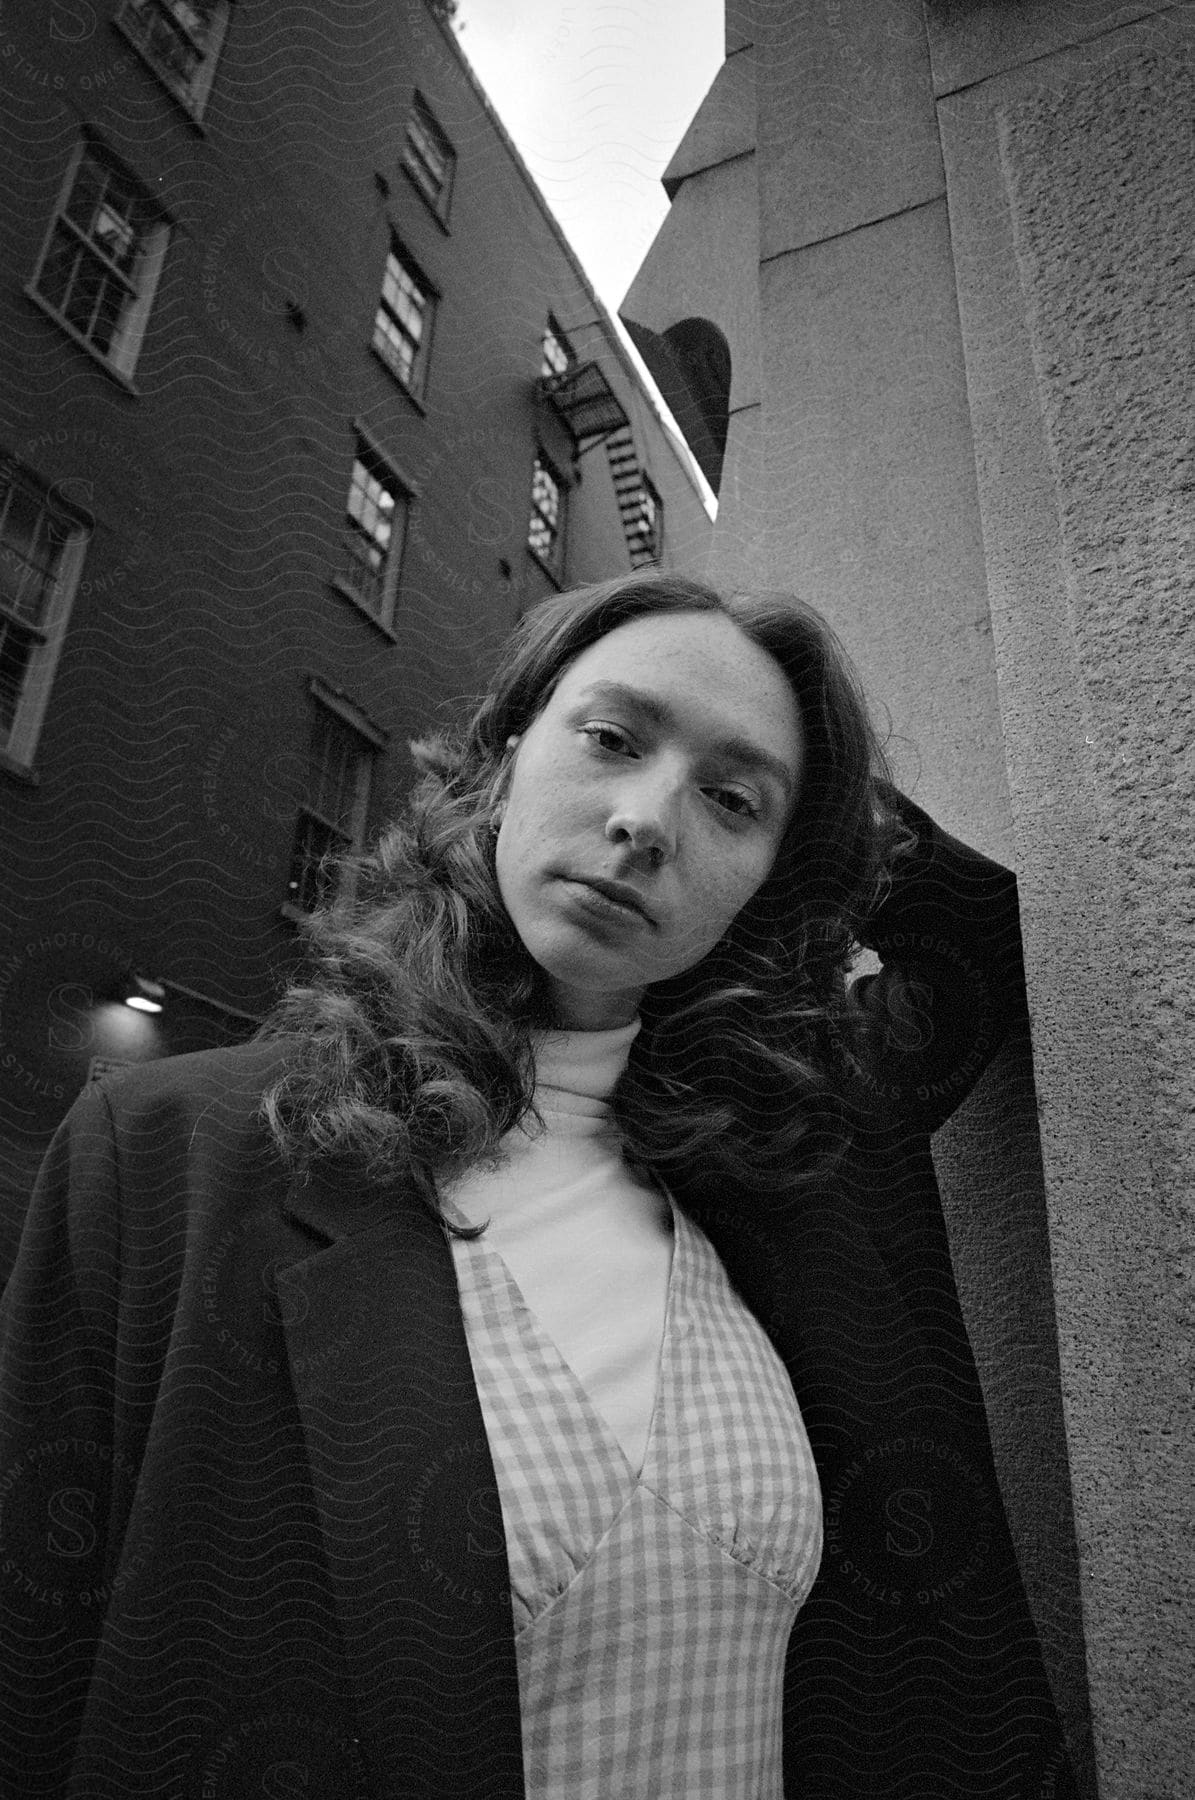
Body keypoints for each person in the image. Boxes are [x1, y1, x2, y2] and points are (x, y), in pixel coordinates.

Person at [0, 573, 1077, 1798]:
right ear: (503, 756)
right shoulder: (171, 1149)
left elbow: (970, 915)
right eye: (609, 739)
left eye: (730, 800)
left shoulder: (793, 1177)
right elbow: (33, 1665)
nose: (645, 820)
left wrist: (780, 738)